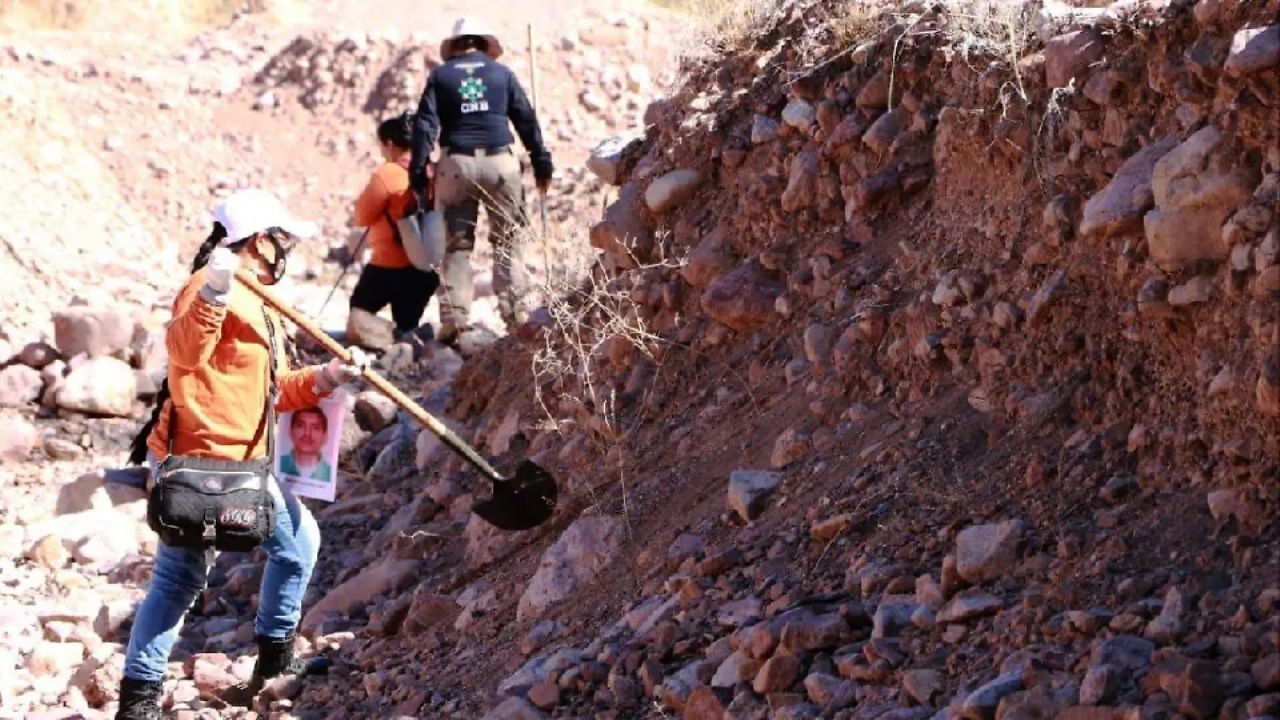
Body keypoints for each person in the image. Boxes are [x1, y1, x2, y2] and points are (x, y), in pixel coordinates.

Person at [118, 189, 369, 720]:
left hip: (240, 460)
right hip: (202, 461)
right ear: (260, 242)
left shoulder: (256, 299)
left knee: (273, 550)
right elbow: (185, 354)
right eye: (282, 239)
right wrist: (212, 290)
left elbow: (269, 389)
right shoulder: (206, 289)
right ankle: (163, 694)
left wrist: (328, 378)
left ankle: (145, 698)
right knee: (200, 572)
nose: (287, 250)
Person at [410, 16, 554, 345]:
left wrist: (418, 172)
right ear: (483, 44)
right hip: (501, 164)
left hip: (456, 163)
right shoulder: (501, 74)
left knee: (457, 247)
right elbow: (526, 119)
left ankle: (456, 323)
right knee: (507, 241)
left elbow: (424, 127)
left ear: (455, 46)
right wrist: (541, 162)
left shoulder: (441, 75)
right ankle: (515, 316)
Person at [349, 112, 441, 342]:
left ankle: (389, 348)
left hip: (388, 266)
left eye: (382, 146)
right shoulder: (434, 171)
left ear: (390, 144)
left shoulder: (389, 173)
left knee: (359, 314)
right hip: (426, 268)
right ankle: (410, 347)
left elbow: (362, 216)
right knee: (408, 324)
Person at [279, 407, 334, 483]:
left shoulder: (330, 474)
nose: (307, 433)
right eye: (300, 425)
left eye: (315, 428)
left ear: (325, 437)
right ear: (291, 432)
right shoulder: (278, 465)